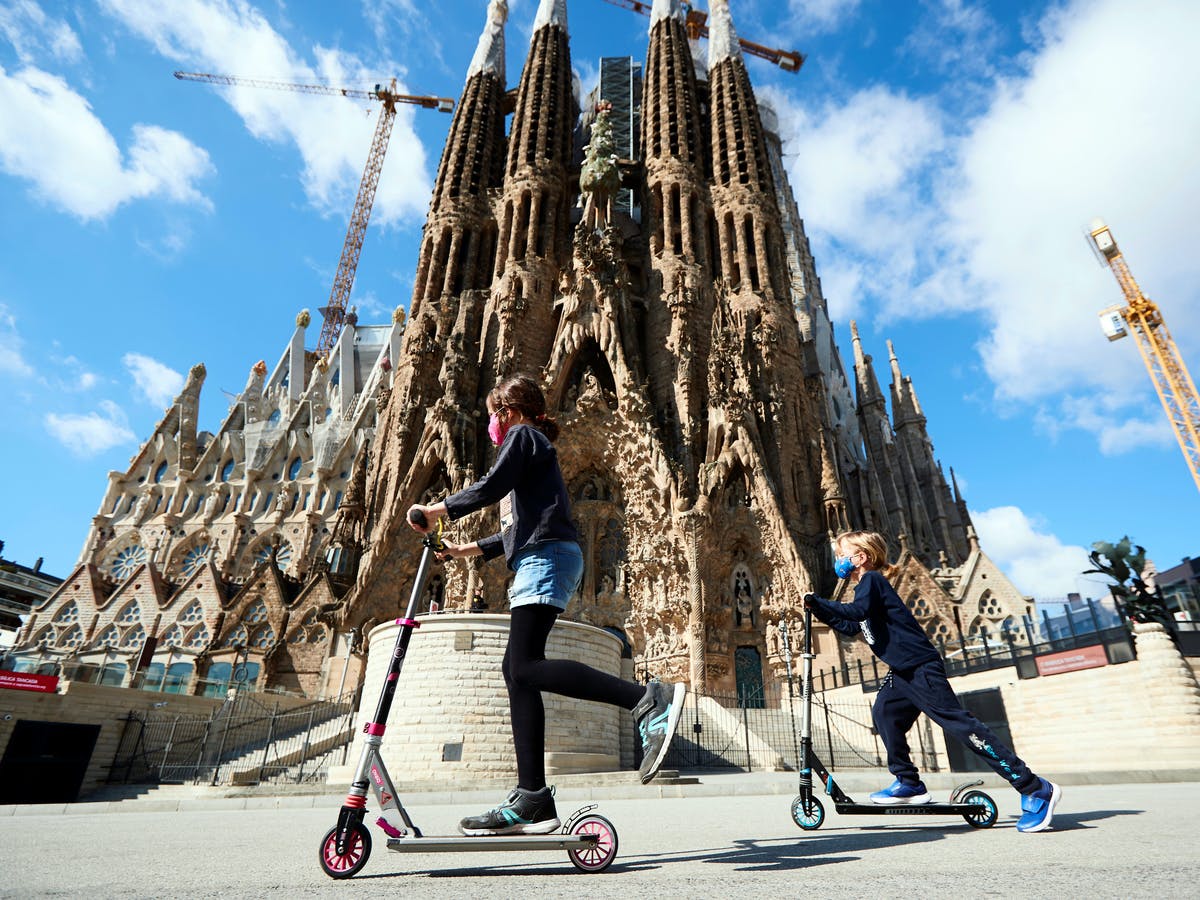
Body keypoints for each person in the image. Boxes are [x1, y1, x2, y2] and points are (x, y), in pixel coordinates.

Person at [407, 374, 685, 837]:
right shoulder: (530, 452)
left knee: (525, 666)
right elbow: (513, 532)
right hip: (542, 555)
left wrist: (439, 510)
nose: (494, 424)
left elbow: (491, 486)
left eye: (495, 414)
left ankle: (645, 698)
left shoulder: (523, 436)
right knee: (517, 672)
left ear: (509, 410)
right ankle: (532, 797)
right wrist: (460, 551)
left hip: (548, 558)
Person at [803, 530, 1062, 833]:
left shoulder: (872, 581)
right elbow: (851, 625)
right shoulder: (863, 589)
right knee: (885, 714)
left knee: (962, 727)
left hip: (920, 667)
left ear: (860, 557)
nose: (838, 561)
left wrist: (820, 600)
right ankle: (909, 783)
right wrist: (818, 608)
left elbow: (856, 612)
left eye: (841, 554)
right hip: (902, 672)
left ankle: (1034, 788)